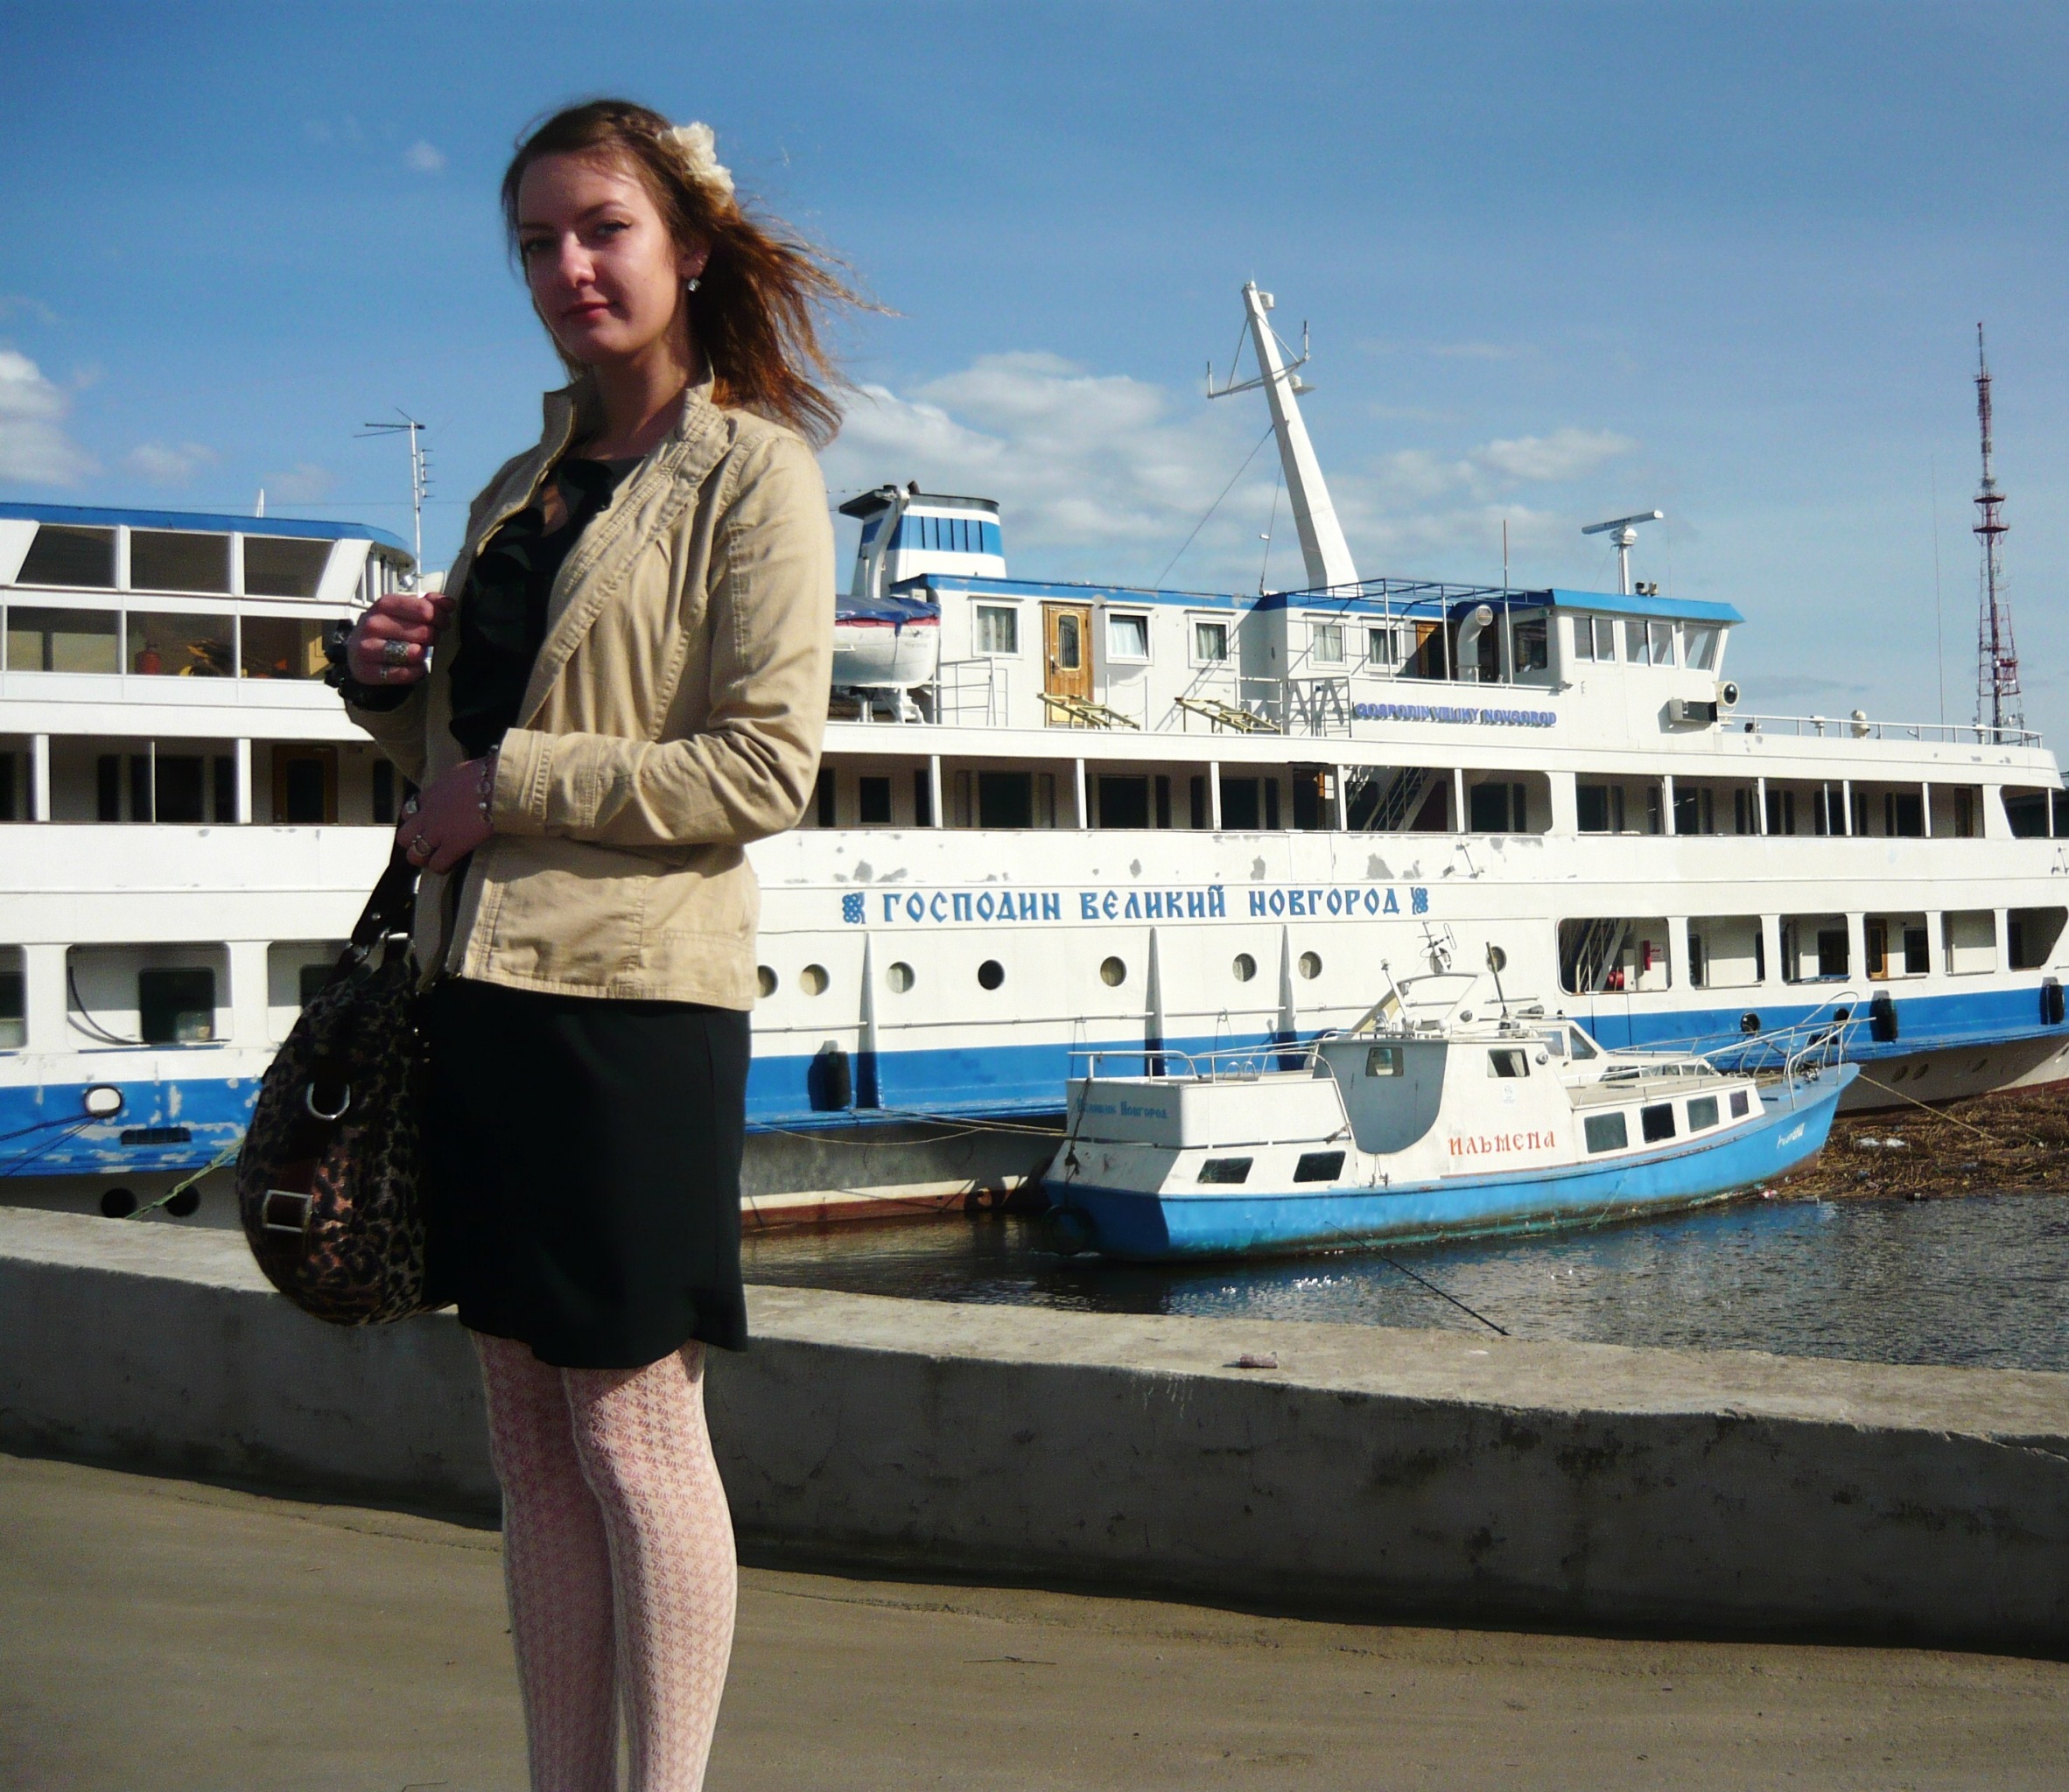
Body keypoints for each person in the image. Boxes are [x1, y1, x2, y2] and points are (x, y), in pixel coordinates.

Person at [334, 99, 847, 1790]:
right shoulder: (518, 489)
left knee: (633, 1428)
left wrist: (506, 783)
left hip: (632, 1007)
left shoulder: (754, 473)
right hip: (475, 990)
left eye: (602, 229)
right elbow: (451, 767)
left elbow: (762, 769)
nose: (569, 267)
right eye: (537, 243)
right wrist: (386, 690)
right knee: (527, 1435)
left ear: (686, 247)